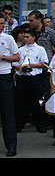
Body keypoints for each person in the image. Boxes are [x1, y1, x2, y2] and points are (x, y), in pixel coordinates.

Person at [14, 28, 49, 133]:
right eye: (24, 37)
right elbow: (15, 64)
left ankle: (40, 125)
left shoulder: (40, 49)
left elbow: (44, 63)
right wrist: (22, 67)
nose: (25, 39)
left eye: (27, 37)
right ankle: (19, 124)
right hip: (23, 77)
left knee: (37, 102)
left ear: (33, 38)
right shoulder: (20, 50)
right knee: (21, 102)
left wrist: (31, 65)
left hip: (35, 78)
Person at [0, 24, 19, 156]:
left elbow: (17, 57)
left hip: (4, 76)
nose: (1, 26)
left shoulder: (8, 39)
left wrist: (4, 57)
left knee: (7, 112)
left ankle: (11, 146)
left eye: (2, 23)